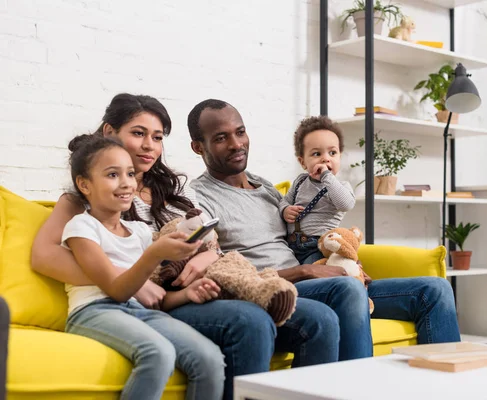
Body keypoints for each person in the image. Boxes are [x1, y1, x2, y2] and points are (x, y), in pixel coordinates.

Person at [31, 93, 336, 400]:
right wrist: (132, 281)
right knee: (250, 321)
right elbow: (44, 256)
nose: (150, 145)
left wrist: (207, 259)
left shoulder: (173, 189)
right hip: (156, 295)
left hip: (197, 286)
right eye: (138, 133)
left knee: (319, 319)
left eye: (158, 137)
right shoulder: (87, 201)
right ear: (110, 133)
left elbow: (210, 241)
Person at [187, 98, 462, 361]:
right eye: (221, 138)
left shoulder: (265, 188)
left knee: (435, 290)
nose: (237, 144)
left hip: (315, 279)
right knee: (346, 289)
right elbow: (220, 271)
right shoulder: (200, 198)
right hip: (272, 288)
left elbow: (305, 232)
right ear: (199, 147)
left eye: (241, 132)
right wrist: (303, 271)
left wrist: (345, 260)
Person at [62, 134, 224, 400]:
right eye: (112, 175)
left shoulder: (139, 231)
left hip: (137, 310)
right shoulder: (81, 227)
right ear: (84, 184)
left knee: (210, 358)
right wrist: (153, 254)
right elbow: (117, 290)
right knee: (158, 353)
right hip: (93, 312)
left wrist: (186, 294)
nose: (126, 183)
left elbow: (150, 298)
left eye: (129, 174)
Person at [279, 116, 355, 264]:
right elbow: (284, 201)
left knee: (309, 274)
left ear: (340, 156)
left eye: (332, 153)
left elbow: (346, 204)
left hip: (319, 247)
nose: (325, 159)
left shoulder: (340, 187)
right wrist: (285, 210)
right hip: (291, 245)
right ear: (303, 162)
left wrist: (326, 176)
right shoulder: (300, 181)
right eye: (317, 154)